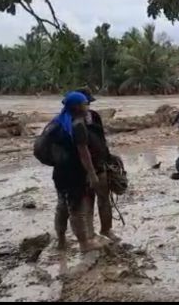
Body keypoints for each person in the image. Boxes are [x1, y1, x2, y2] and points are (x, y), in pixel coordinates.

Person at [52, 91, 107, 253]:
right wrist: (92, 174)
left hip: (60, 172)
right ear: (77, 107)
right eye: (85, 104)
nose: (87, 107)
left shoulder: (59, 121)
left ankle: (61, 241)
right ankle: (84, 244)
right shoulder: (78, 125)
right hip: (74, 174)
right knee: (76, 210)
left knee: (62, 206)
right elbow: (84, 153)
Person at [75, 86, 119, 243]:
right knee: (87, 202)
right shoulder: (73, 122)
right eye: (86, 104)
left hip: (101, 166)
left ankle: (106, 229)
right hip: (82, 170)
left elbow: (101, 139)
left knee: (104, 200)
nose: (88, 107)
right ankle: (89, 233)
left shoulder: (94, 116)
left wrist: (108, 157)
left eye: (89, 103)